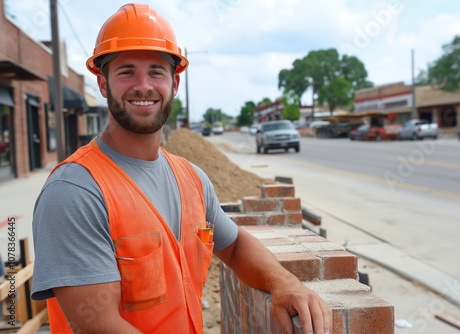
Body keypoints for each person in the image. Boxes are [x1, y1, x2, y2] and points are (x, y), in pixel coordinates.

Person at [31, 3, 332, 333]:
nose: (143, 85)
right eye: (126, 71)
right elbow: (98, 325)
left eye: (156, 72)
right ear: (103, 85)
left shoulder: (192, 179)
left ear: (174, 83)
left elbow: (235, 246)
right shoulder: (75, 190)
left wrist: (285, 284)